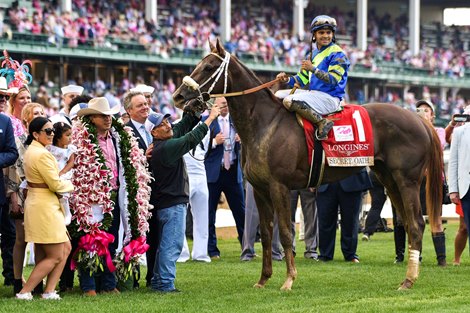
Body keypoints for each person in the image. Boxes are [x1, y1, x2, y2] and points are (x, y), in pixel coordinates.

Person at [148, 103, 220, 293]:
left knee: (166, 245)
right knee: (172, 246)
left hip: (168, 203)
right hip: (173, 204)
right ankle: (165, 283)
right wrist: (210, 119)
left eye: (167, 121)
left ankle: (159, 281)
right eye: (162, 124)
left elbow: (180, 128)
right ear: (154, 132)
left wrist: (194, 114)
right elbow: (190, 139)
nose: (168, 125)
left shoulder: (161, 145)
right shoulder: (166, 148)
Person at [16, 116, 74, 300]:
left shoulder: (38, 150)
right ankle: (25, 292)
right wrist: (73, 185)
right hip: (44, 206)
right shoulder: (41, 153)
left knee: (65, 247)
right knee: (56, 253)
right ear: (35, 134)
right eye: (47, 131)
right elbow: (56, 185)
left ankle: (49, 291)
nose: (52, 134)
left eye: (52, 131)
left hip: (43, 203)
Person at [275, 14, 350, 140]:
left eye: (328, 32)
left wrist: (313, 69)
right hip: (314, 94)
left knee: (289, 100)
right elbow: (301, 80)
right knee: (277, 94)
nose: (325, 36)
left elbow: (333, 80)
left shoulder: (338, 54)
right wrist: (286, 79)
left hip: (330, 98)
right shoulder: (312, 55)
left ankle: (322, 123)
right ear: (314, 35)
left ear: (333, 34)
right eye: (321, 32)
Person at [204, 97, 245, 259]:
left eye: (226, 104)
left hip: (233, 172)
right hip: (214, 173)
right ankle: (212, 250)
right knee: (209, 213)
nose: (224, 107)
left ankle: (246, 247)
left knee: (240, 212)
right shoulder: (206, 122)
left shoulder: (237, 121)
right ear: (214, 106)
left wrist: (243, 139)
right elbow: (198, 146)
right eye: (221, 105)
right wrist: (214, 142)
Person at [316, 169, 372, 262]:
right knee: (324, 221)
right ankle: (325, 254)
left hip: (352, 178)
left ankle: (350, 254)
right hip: (325, 180)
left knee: (350, 221)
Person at [416, 99, 447, 266]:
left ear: (432, 115)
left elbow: (440, 145)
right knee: (416, 218)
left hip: (434, 180)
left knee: (436, 219)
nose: (423, 112)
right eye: (419, 110)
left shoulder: (439, 130)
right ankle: (416, 257)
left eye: (426, 110)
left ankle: (441, 260)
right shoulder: (411, 132)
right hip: (417, 181)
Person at [446, 105, 470, 266]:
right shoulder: (460, 132)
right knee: (466, 226)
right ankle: (456, 259)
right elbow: (453, 162)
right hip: (466, 186)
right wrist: (453, 189)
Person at [240, 181, 283, 261]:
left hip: (275, 173)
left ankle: (275, 251)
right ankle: (247, 251)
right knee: (251, 213)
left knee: (276, 212)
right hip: (254, 173)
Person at [0, 111, 19, 286]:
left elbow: (12, 153)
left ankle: (11, 277)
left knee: (8, 235)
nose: (2, 99)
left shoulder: (4, 121)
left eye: (5, 96)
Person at [47, 122, 75, 226]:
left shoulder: (70, 149)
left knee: (62, 192)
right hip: (53, 171)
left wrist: (63, 172)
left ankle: (67, 213)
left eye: (71, 134)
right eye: (67, 135)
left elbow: (71, 162)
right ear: (58, 137)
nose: (70, 137)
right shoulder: (50, 148)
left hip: (64, 172)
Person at [290, 189, 319, 260]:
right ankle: (288, 250)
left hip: (307, 183)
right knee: (288, 218)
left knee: (311, 217)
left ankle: (311, 251)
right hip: (289, 183)